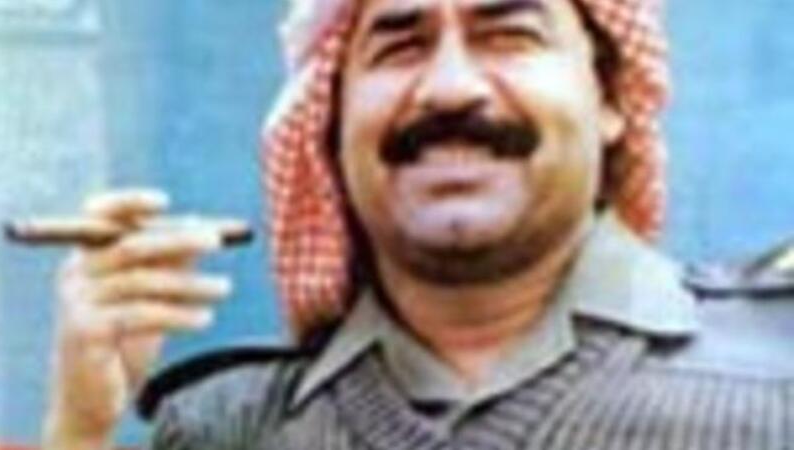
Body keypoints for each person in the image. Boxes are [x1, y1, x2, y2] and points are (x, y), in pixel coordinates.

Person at [43, 0, 793, 449]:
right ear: (331, 124)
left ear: (611, 101)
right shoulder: (229, 425)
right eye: (401, 45)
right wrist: (78, 431)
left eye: (508, 35)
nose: (450, 88)